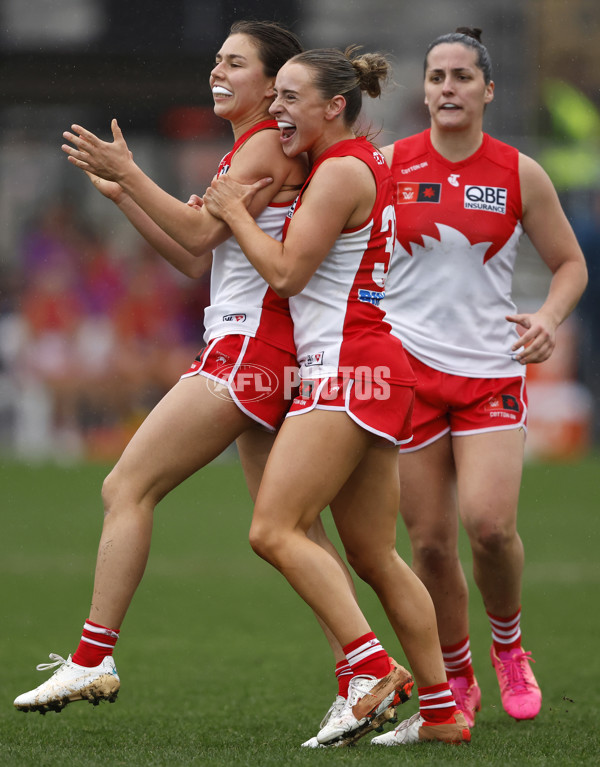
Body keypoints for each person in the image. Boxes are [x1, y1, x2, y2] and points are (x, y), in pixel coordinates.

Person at [13, 20, 351, 716]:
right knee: (293, 531)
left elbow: (198, 234)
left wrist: (130, 171)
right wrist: (128, 197)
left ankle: (90, 657)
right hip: (260, 347)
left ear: (271, 83)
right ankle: (367, 669)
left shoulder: (260, 143)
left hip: (248, 348)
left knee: (126, 486)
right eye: (216, 61)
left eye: (235, 63)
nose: (217, 72)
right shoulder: (252, 149)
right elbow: (197, 258)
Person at [202, 46, 471, 747]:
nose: (275, 108)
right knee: (375, 554)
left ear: (335, 107)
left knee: (273, 529)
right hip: (368, 366)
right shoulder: (357, 163)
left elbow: (287, 275)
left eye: (290, 97)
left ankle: (372, 668)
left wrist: (232, 212)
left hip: (345, 366)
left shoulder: (340, 171)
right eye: (276, 94)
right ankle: (442, 713)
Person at [370, 27, 588, 742]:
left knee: (490, 527)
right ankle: (457, 674)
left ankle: (509, 647)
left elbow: (570, 264)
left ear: (488, 89)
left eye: (463, 76)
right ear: (424, 88)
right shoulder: (387, 167)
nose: (448, 88)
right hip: (408, 374)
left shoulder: (519, 172)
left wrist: (550, 317)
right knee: (429, 543)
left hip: (490, 370)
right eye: (437, 76)